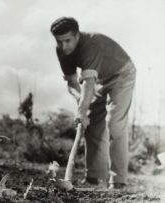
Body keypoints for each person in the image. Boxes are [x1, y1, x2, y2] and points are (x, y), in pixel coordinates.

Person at [50, 17, 136, 189]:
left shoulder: (91, 45)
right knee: (91, 122)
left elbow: (88, 83)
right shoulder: (61, 51)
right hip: (100, 81)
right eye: (59, 42)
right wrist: (81, 107)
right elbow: (72, 83)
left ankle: (118, 181)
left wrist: (82, 109)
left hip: (122, 75)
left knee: (114, 123)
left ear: (77, 35)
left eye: (67, 40)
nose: (64, 46)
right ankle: (94, 177)